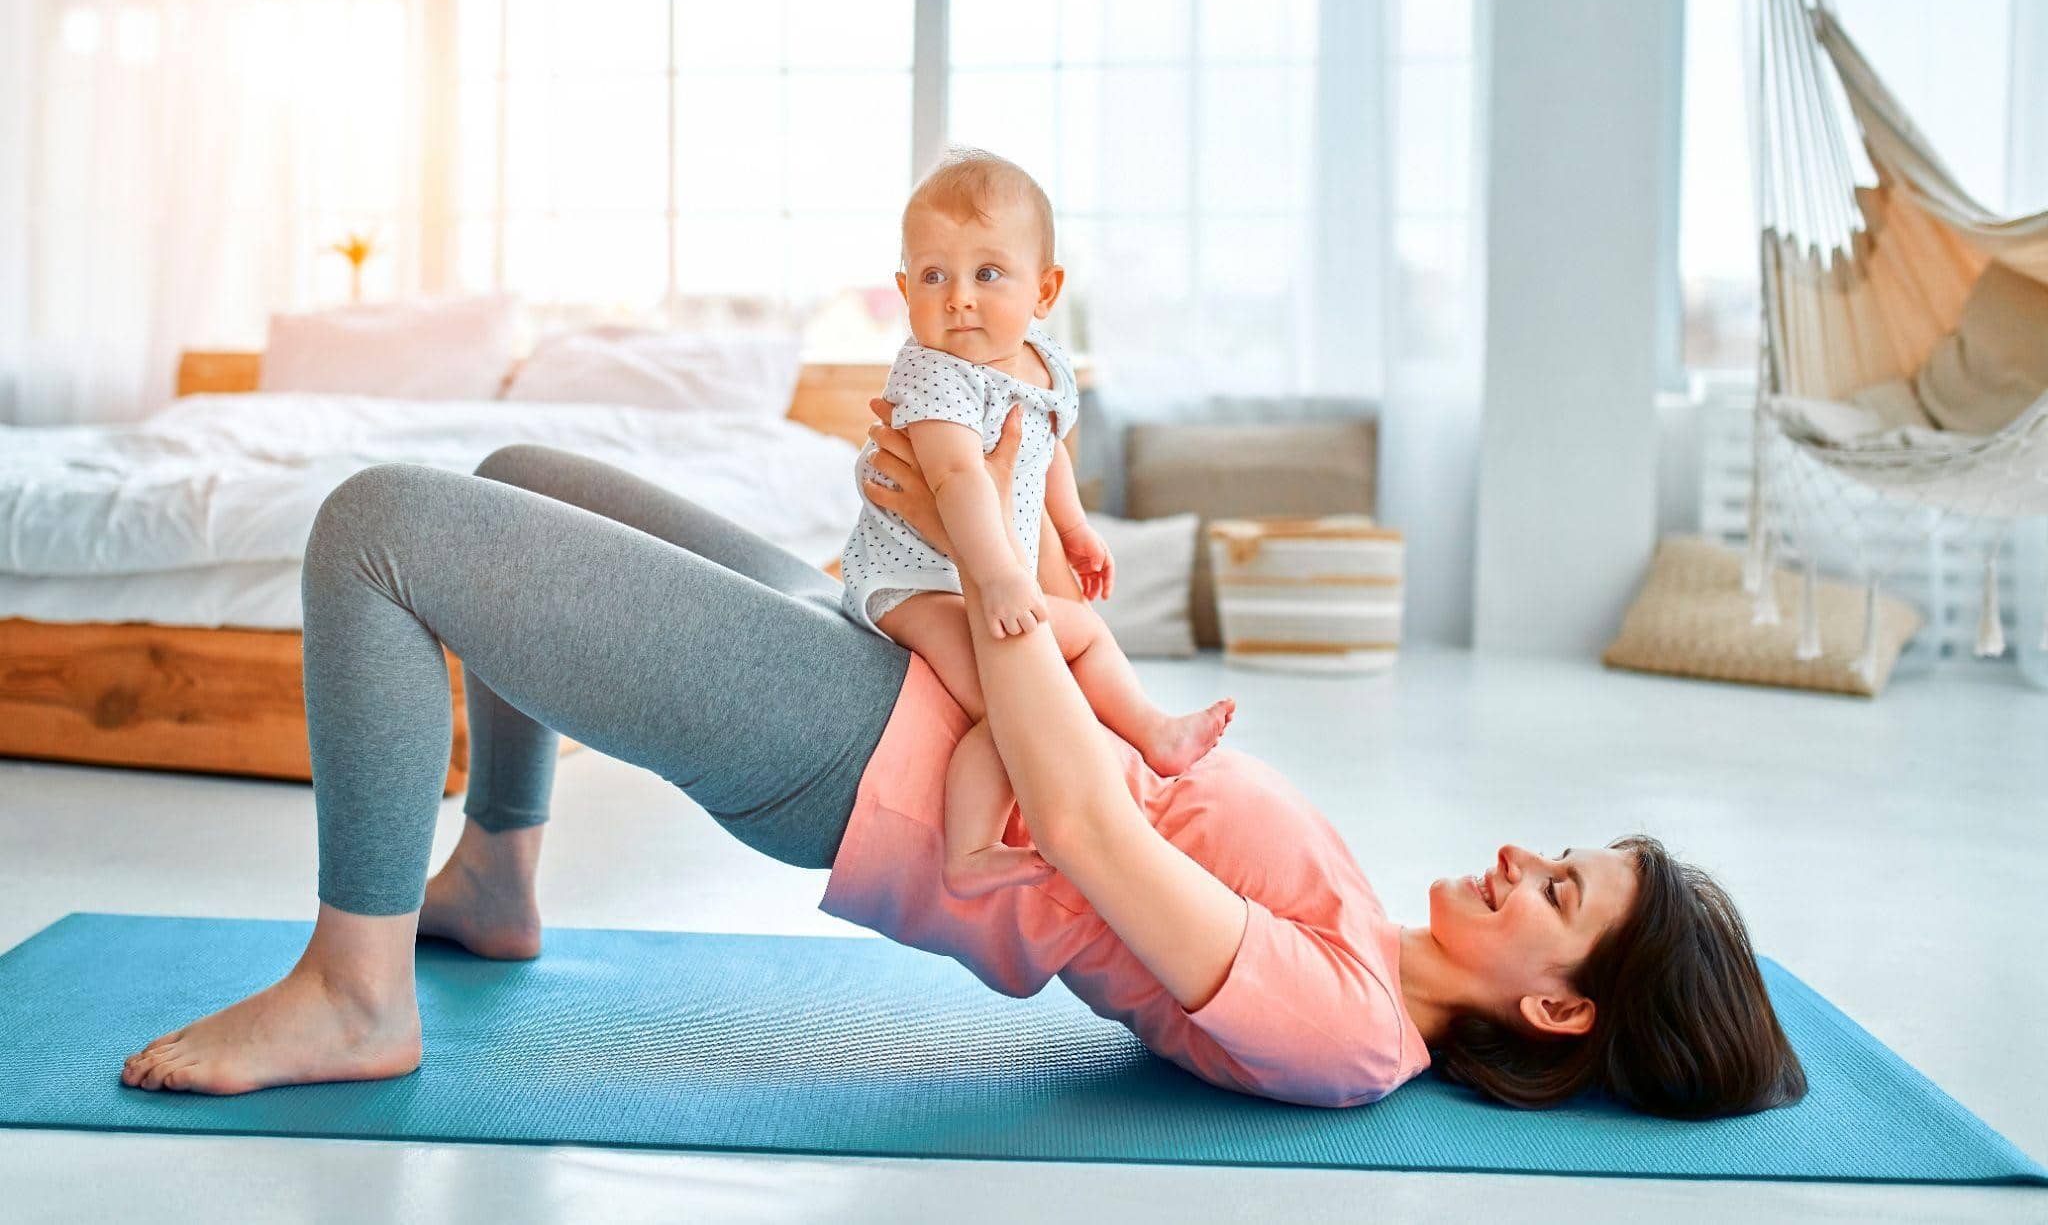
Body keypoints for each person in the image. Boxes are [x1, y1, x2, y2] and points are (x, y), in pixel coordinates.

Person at [120, 398, 1805, 1118]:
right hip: (902, 679)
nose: (1523, 859)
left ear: (1560, 1005)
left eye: (1558, 890)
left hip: (857, 758)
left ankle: (358, 991)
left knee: (376, 531)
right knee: (517, 467)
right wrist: (987, 594)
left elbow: (1073, 812)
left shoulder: (1348, 1030)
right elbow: (1101, 758)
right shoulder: (1360, 928)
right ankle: (495, 875)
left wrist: (982, 551)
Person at [840, 146, 1233, 899]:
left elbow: (1045, 448)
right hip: (917, 580)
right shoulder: (932, 372)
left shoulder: (1042, 362)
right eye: (933, 276)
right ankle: (970, 847)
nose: (958, 298)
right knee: (1013, 705)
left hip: (990, 570)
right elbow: (956, 477)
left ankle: (1151, 729)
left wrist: (1076, 529)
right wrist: (994, 579)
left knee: (1083, 638)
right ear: (904, 290)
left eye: (987, 274)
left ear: (1044, 290)